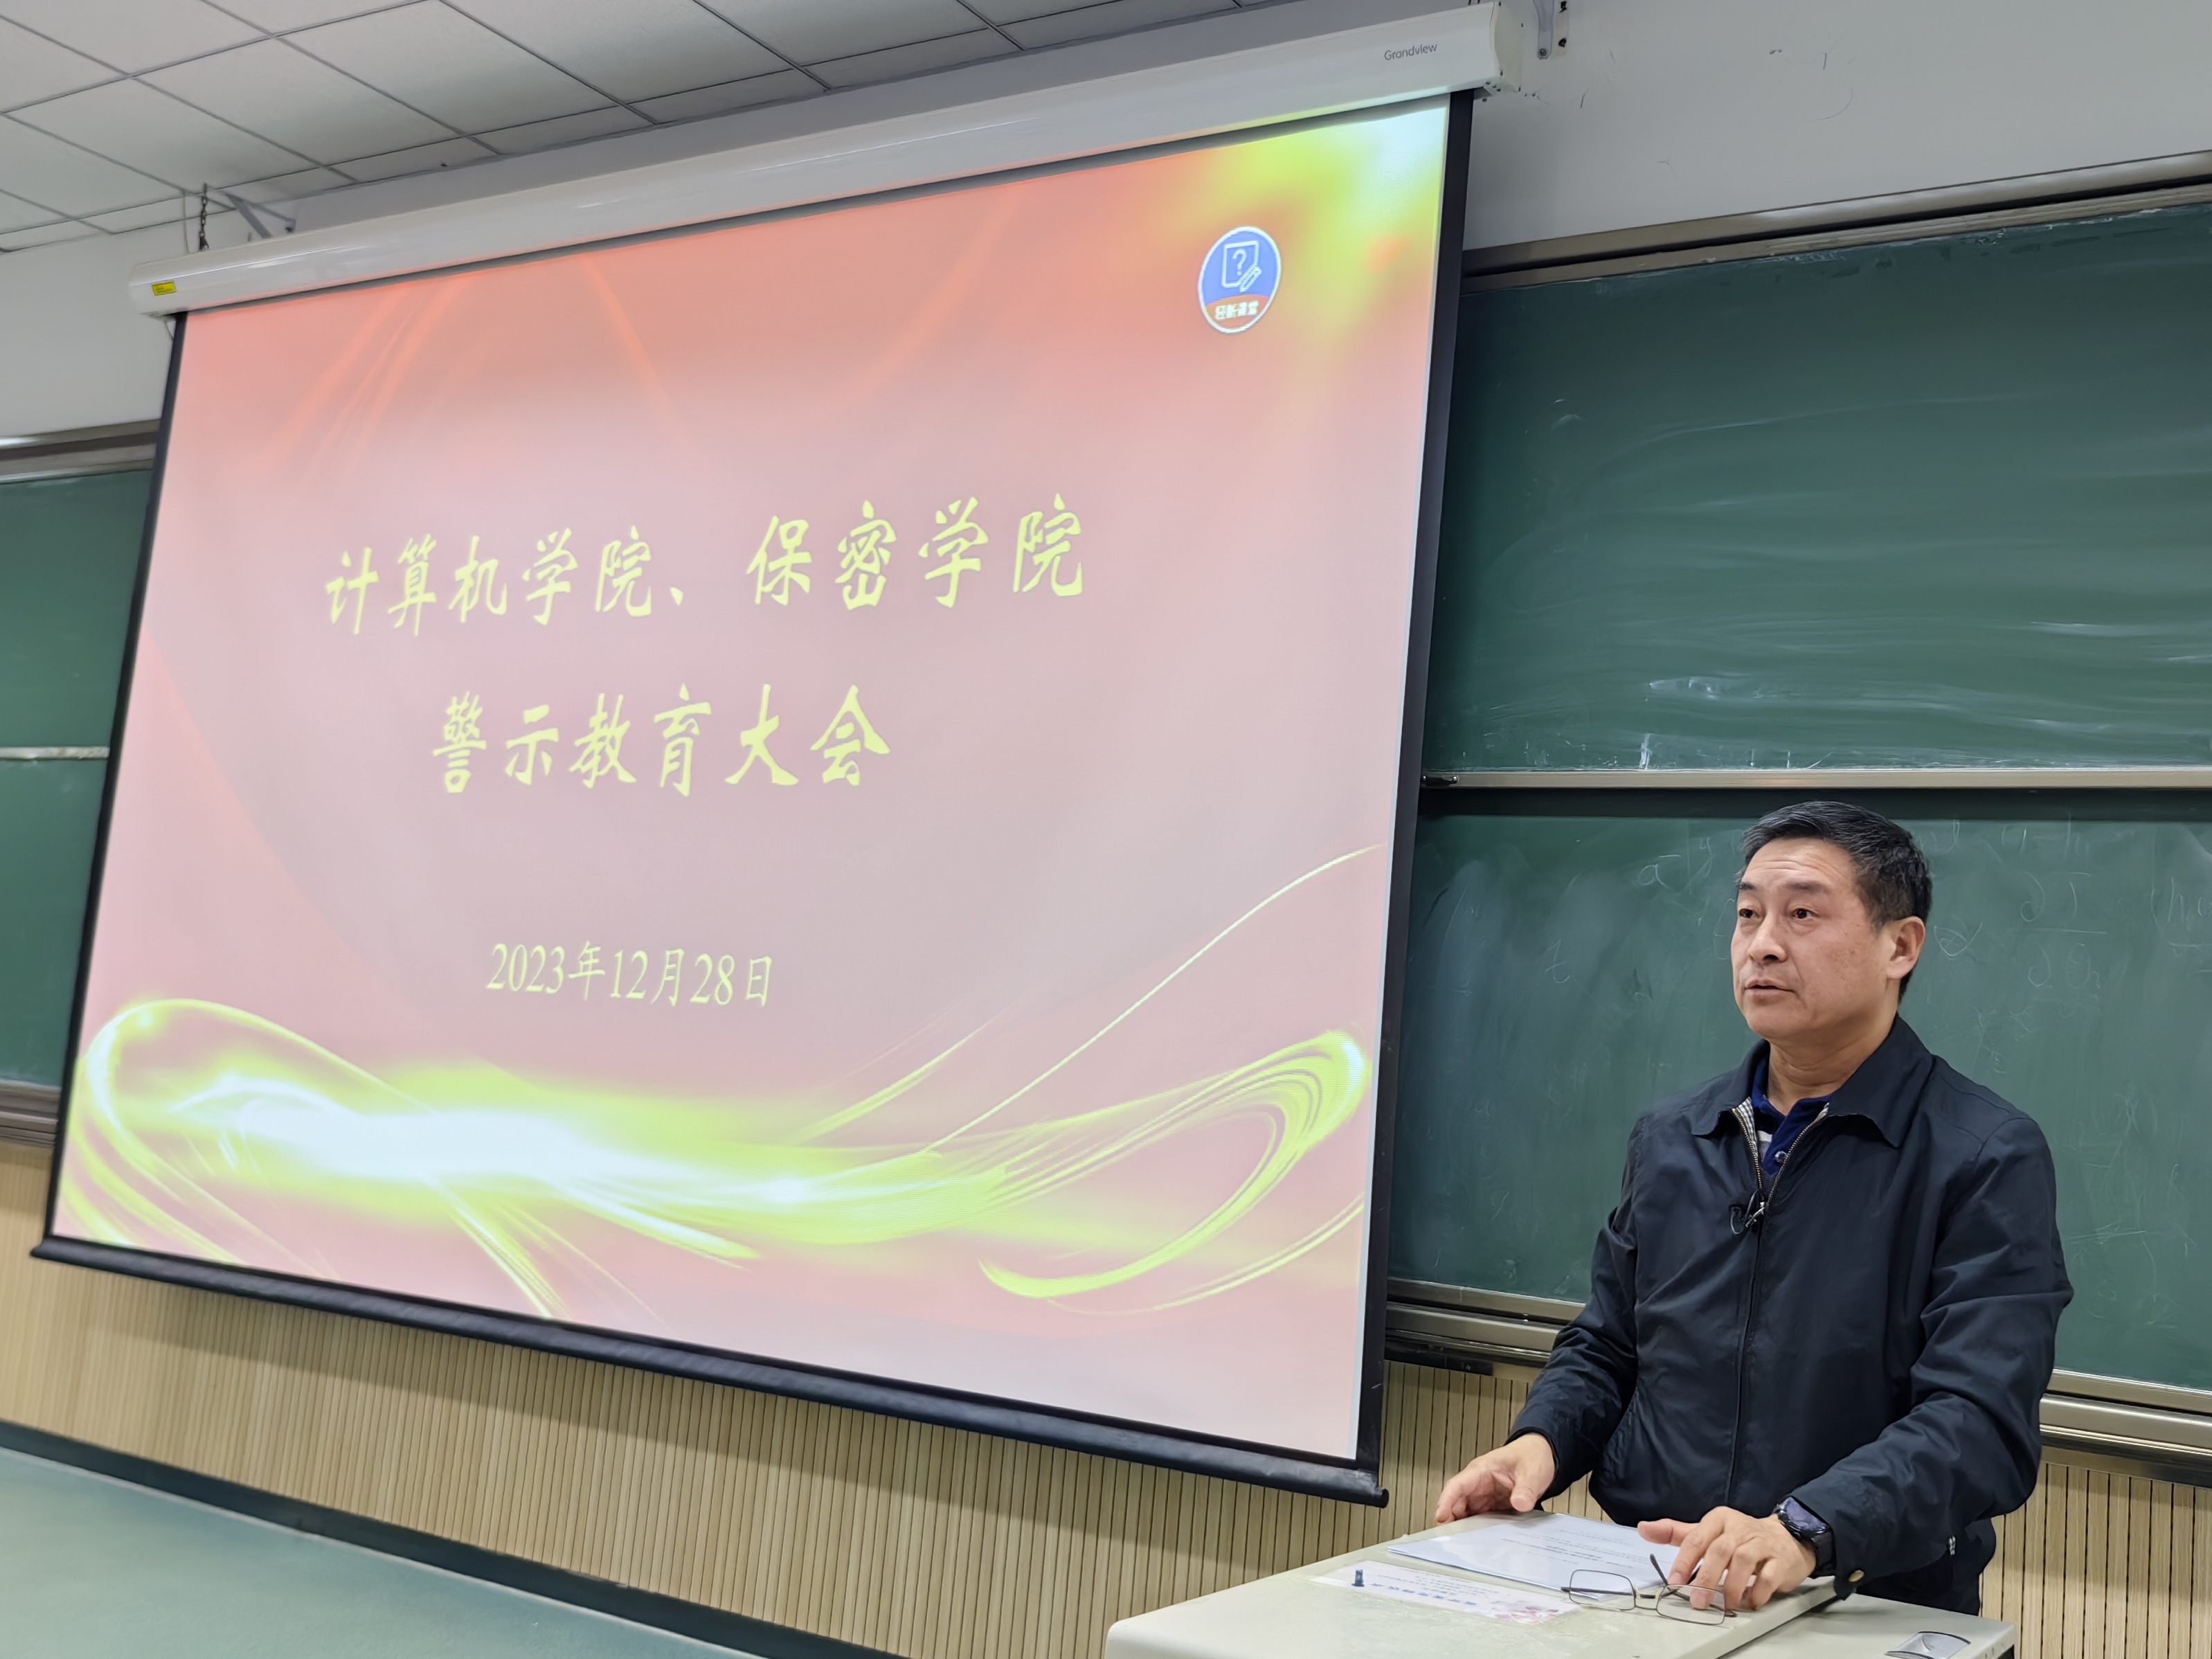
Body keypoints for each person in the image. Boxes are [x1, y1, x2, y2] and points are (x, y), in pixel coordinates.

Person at [1432, 801, 2071, 1616]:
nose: (1762, 943)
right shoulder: (1675, 1135)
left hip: (1856, 1598)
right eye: (1747, 914)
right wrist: (1540, 1442)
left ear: (1900, 946)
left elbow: (1978, 1417)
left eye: (1802, 914)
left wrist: (1804, 1527)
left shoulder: (1982, 1154)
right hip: (1649, 1582)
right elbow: (1610, 1343)